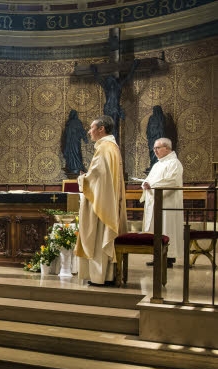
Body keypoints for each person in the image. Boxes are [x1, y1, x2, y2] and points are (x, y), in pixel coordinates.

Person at [74, 115, 127, 286]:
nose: (89, 131)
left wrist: (83, 179)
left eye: (91, 128)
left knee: (98, 237)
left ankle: (100, 277)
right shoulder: (113, 148)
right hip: (108, 200)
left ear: (101, 129)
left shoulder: (105, 148)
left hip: (102, 203)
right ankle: (108, 275)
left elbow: (97, 176)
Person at [141, 137, 183, 268]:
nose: (155, 151)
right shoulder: (157, 164)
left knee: (167, 227)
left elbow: (172, 181)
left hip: (168, 202)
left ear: (167, 148)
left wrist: (151, 185)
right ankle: (158, 255)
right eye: (154, 148)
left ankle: (169, 257)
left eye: (157, 148)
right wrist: (145, 184)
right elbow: (148, 179)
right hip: (156, 201)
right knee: (157, 228)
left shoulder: (174, 163)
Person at [91, 60, 138, 141]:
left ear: (113, 81)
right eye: (108, 81)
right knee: (106, 127)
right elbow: (99, 80)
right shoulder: (107, 88)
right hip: (108, 109)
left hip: (115, 109)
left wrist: (134, 67)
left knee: (114, 127)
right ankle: (107, 143)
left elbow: (128, 78)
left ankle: (114, 143)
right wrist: (94, 71)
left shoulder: (118, 87)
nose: (110, 82)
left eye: (111, 80)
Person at [62, 109, 88, 176]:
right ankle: (75, 167)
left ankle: (75, 167)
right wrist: (85, 138)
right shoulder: (75, 122)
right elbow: (82, 131)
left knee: (74, 154)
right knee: (76, 153)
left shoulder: (70, 123)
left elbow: (80, 131)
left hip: (71, 142)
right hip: (75, 142)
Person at [145, 105, 166, 172]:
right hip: (152, 139)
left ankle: (158, 164)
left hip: (159, 139)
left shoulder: (162, 117)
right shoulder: (151, 118)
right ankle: (153, 165)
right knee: (152, 152)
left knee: (158, 152)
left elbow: (163, 129)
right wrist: (149, 135)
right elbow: (148, 129)